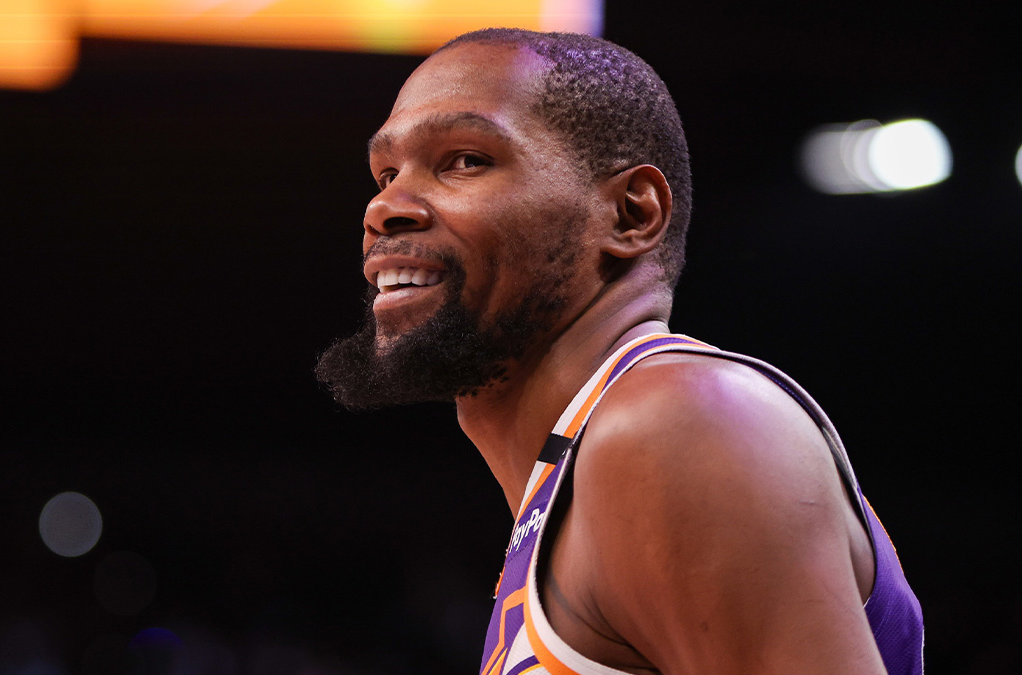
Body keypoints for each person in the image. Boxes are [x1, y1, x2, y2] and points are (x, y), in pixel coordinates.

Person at [315, 28, 923, 675]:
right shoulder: (582, 471)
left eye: (465, 159)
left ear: (631, 214)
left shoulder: (676, 423)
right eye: (386, 173)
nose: (385, 207)